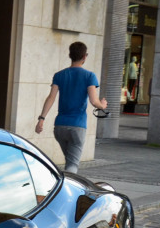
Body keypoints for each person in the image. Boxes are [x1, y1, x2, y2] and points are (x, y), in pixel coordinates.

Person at [35, 41, 107, 173]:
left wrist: (41, 118)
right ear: (85, 56)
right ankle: (68, 190)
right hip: (77, 126)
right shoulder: (89, 76)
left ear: (70, 55)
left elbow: (51, 97)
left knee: (69, 161)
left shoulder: (59, 75)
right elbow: (93, 101)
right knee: (72, 166)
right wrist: (102, 105)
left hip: (60, 127)